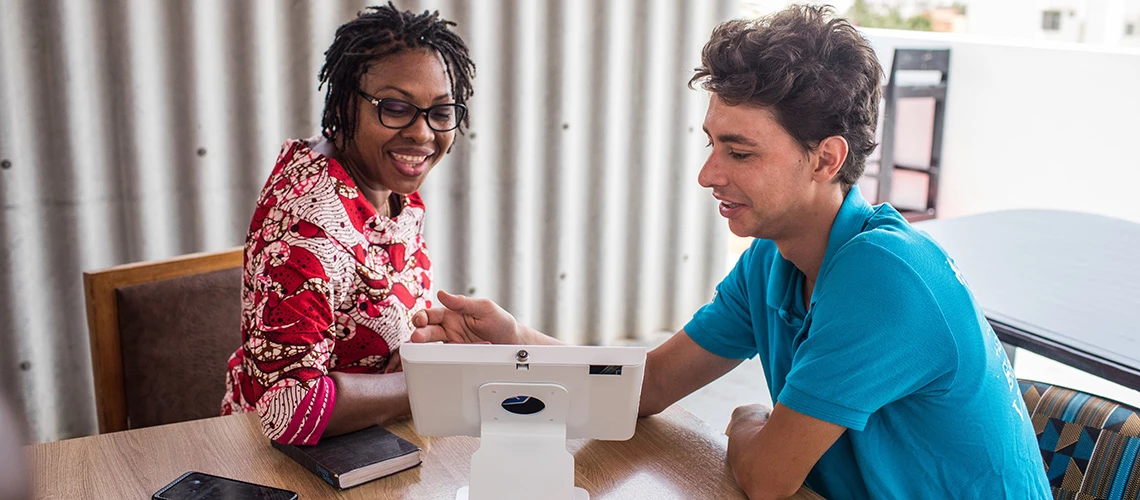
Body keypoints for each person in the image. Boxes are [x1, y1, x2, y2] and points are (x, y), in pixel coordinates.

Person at [410, 5, 1049, 499]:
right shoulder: (774, 259)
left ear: (826, 159)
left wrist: (748, 419)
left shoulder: (885, 276)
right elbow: (647, 386)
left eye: (739, 152)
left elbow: (768, 477)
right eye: (712, 143)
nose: (707, 174)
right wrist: (516, 341)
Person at [220, 3, 475, 446]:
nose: (422, 134)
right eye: (395, 107)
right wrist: (429, 380)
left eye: (440, 112)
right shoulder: (307, 227)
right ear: (343, 103)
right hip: (282, 464)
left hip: (375, 437)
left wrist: (421, 349)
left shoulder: (380, 179)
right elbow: (287, 409)